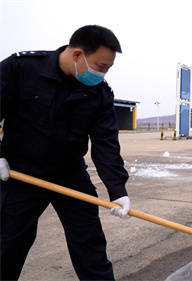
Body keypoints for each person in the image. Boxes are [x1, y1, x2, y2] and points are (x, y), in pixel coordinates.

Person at [0, 25, 131, 280]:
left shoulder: (100, 94)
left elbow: (106, 143)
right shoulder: (21, 69)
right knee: (8, 245)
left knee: (90, 244)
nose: (102, 74)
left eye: (108, 69)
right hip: (20, 173)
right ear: (77, 55)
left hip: (69, 173)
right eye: (100, 66)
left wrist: (118, 191)